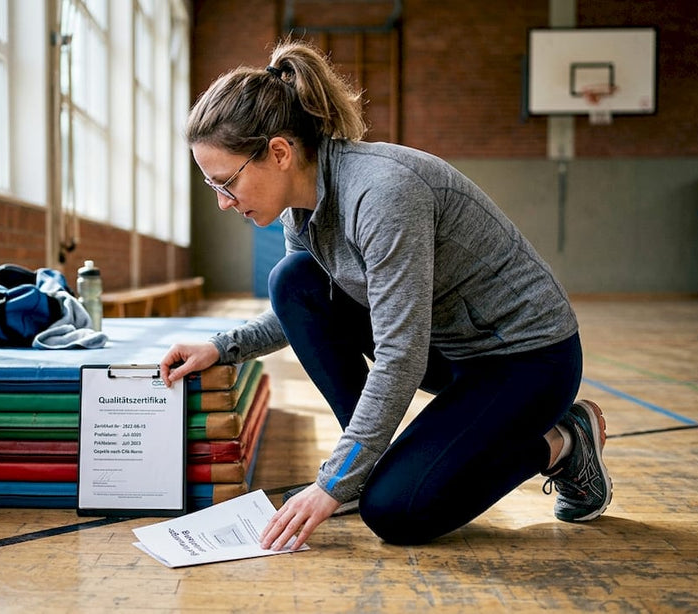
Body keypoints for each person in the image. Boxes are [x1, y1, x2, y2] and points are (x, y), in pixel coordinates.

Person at [159, 39, 612, 550]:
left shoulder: (384, 194)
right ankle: (363, 466)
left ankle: (563, 442)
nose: (222, 202)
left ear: (280, 153)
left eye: (226, 182)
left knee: (396, 513)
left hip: (525, 362)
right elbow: (303, 310)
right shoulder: (300, 210)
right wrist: (222, 347)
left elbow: (400, 354)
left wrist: (332, 483)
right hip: (448, 351)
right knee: (295, 281)